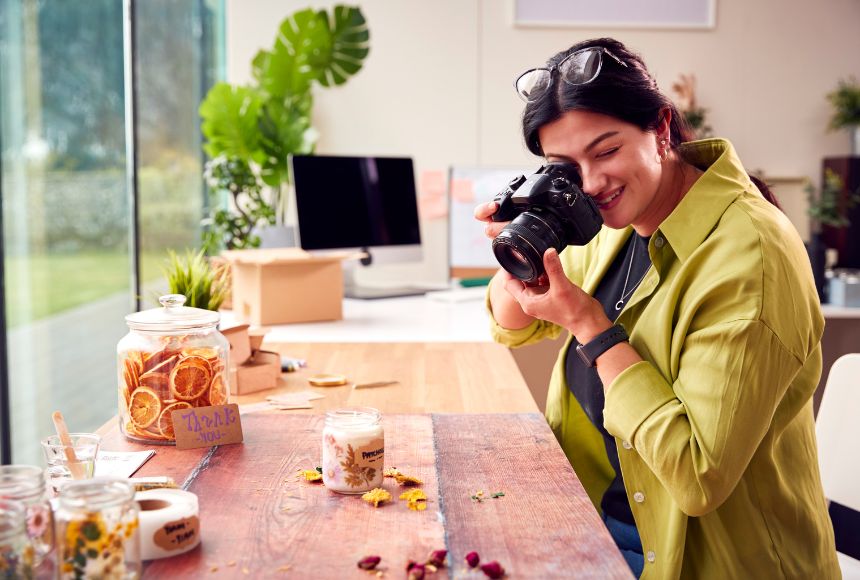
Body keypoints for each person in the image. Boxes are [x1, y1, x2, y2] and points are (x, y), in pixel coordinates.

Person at [476, 37, 839, 579]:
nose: (592, 183)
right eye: (567, 167)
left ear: (662, 129)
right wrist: (518, 249)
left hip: (709, 561)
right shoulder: (614, 221)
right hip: (599, 529)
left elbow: (698, 477)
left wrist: (591, 328)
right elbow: (511, 328)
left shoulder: (752, 253)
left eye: (607, 151)